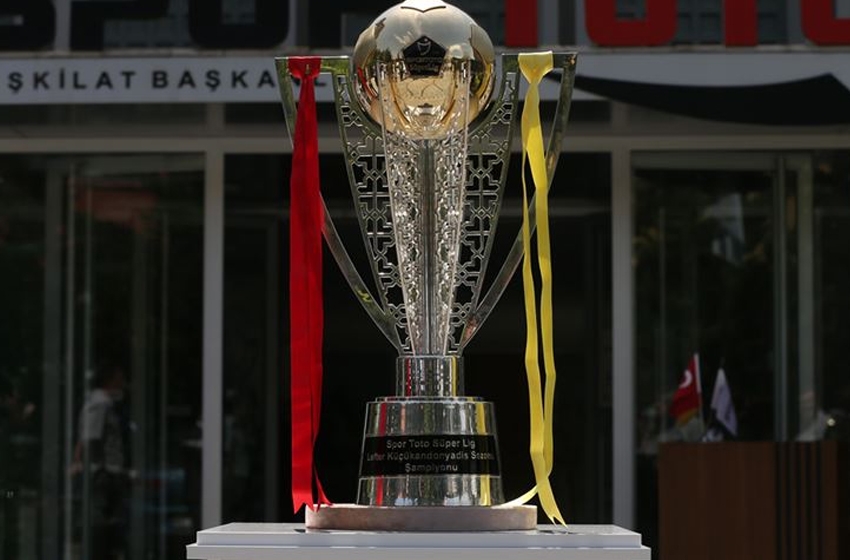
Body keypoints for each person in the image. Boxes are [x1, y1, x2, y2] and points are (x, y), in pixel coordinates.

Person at [73, 363, 129, 560]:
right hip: (103, 473)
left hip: (106, 472)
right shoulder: (100, 403)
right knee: (101, 525)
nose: (123, 383)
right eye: (119, 379)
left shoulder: (104, 403)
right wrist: (93, 465)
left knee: (109, 525)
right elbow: (90, 438)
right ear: (110, 380)